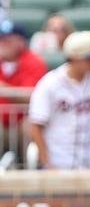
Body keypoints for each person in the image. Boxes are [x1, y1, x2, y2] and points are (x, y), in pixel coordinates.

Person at [28, 30, 90, 169]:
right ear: (74, 58)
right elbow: (36, 125)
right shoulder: (50, 83)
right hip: (59, 163)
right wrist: (47, 162)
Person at [0, 20, 48, 167]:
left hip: (24, 120)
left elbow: (32, 96)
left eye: (8, 40)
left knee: (29, 126)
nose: (3, 43)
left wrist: (3, 89)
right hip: (1, 122)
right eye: (1, 39)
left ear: (21, 41)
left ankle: (28, 171)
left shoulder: (34, 61)